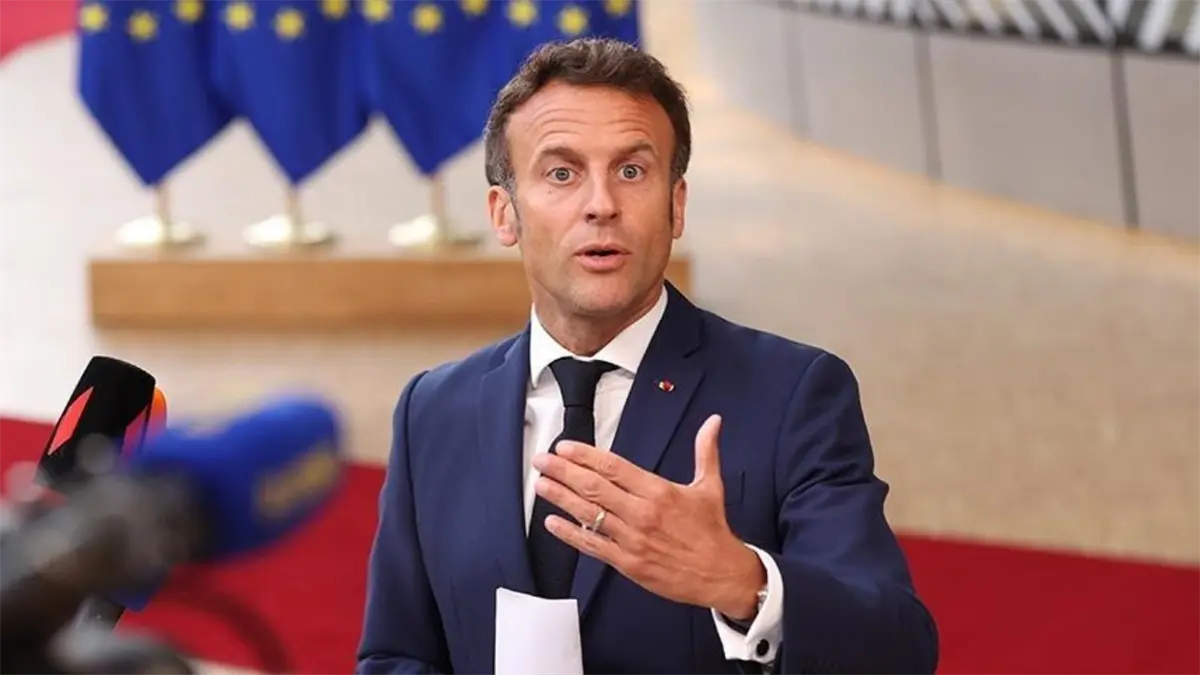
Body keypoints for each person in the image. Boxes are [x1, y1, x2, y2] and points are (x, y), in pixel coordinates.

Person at [356, 38, 938, 675]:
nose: (601, 204)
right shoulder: (432, 410)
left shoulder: (796, 394)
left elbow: (898, 650)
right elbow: (395, 655)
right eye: (562, 173)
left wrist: (741, 582)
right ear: (505, 214)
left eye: (632, 171)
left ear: (675, 205)